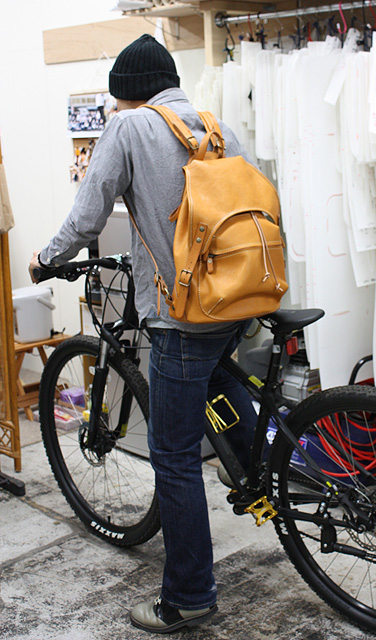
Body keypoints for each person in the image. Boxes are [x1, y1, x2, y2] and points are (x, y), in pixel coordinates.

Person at [29, 33, 258, 634]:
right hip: (238, 298)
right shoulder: (215, 127)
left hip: (183, 314)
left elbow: (87, 216)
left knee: (174, 456)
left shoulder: (129, 128)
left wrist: (47, 259)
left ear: (128, 93)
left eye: (116, 98)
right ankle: (260, 474)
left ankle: (189, 596)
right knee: (218, 377)